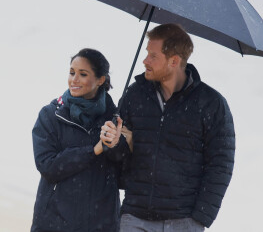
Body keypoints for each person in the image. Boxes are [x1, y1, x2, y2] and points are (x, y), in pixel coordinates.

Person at [101, 24, 235, 231]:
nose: (145, 60)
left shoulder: (211, 103)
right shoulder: (135, 94)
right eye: (146, 53)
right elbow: (120, 156)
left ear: (174, 61)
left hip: (184, 220)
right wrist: (113, 142)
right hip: (135, 217)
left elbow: (220, 164)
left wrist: (201, 217)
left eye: (153, 56)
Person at [31, 48, 127, 232]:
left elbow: (125, 176)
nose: (74, 80)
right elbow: (48, 166)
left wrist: (116, 144)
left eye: (82, 74)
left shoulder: (116, 121)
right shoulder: (51, 115)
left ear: (101, 80)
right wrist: (93, 150)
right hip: (53, 224)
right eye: (72, 72)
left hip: (101, 225)